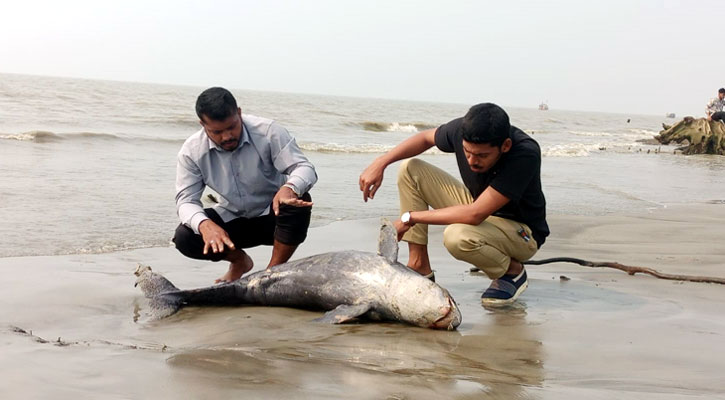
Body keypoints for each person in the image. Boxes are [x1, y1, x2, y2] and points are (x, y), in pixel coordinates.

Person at [359, 103, 549, 305]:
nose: (472, 161)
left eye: (482, 155)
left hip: (520, 233)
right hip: (481, 209)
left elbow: (474, 214)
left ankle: (512, 271)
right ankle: (419, 265)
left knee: (457, 237)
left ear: (505, 146)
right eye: (467, 152)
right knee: (410, 169)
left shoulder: (525, 153)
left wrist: (410, 218)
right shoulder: (461, 130)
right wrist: (381, 162)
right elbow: (424, 138)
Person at [174, 87, 317, 283]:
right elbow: (185, 201)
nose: (226, 137)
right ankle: (239, 262)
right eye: (216, 132)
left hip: (273, 218)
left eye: (232, 127)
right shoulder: (191, 151)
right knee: (185, 235)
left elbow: (304, 168)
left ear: (239, 113)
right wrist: (204, 224)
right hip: (233, 221)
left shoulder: (269, 132)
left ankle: (270, 274)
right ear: (202, 124)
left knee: (299, 199)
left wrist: (289, 188)